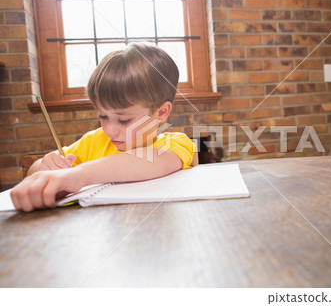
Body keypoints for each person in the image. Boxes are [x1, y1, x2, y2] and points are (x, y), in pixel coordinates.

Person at [11, 42, 196, 212]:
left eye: (123, 120)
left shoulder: (174, 144)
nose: (110, 130)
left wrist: (78, 175)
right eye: (103, 116)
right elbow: (34, 171)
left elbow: (151, 161)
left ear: (161, 113)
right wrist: (44, 168)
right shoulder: (93, 141)